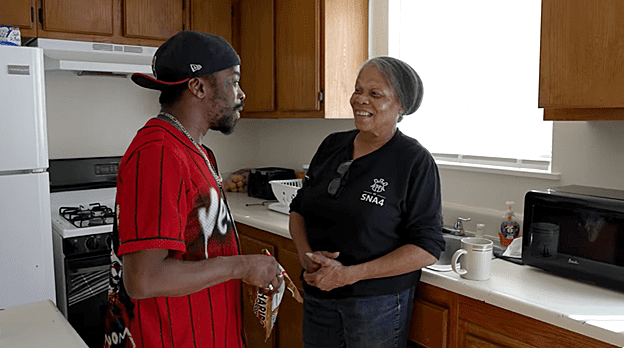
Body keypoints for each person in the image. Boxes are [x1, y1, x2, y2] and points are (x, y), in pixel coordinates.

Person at [102, 30, 284, 348]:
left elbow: (200, 251)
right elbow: (144, 279)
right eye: (233, 81)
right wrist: (242, 265)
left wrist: (245, 271)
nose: (241, 94)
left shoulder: (196, 150)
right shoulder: (158, 152)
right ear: (198, 86)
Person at [288, 56, 445, 348]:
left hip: (376, 306)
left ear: (402, 106)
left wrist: (348, 275)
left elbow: (427, 247)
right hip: (319, 294)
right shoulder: (332, 145)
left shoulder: (414, 161)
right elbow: (298, 209)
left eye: (375, 94)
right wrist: (305, 256)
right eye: (358, 90)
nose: (360, 100)